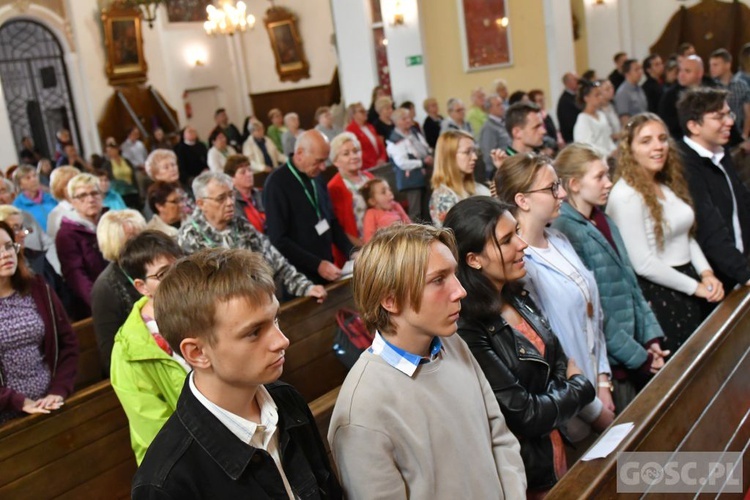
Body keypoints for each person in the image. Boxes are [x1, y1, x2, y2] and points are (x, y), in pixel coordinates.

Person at [328, 223, 526, 499]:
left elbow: (500, 438)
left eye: (454, 275)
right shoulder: (362, 410)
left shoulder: (453, 344)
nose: (460, 291)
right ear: (390, 300)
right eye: (438, 280)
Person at [132, 248, 342, 499]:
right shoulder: (167, 482)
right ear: (197, 352)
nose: (282, 341)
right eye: (254, 332)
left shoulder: (286, 400)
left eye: (275, 320)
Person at [444, 197, 595, 495]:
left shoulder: (515, 294)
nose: (522, 244)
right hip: (526, 475)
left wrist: (552, 396)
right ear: (474, 259)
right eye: (507, 239)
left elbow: (558, 358)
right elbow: (525, 415)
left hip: (555, 450)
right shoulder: (468, 328)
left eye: (517, 232)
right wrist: (580, 387)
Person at [494, 154, 615, 439]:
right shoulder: (522, 266)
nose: (561, 193)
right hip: (572, 410)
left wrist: (602, 378)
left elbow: (592, 317)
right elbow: (550, 353)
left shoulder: (558, 239)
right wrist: (594, 409)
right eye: (551, 188)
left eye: (558, 184)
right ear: (523, 200)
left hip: (596, 384)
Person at [552, 144, 668, 410]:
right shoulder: (567, 230)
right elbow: (595, 312)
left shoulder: (602, 219)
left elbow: (630, 283)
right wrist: (640, 357)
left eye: (607, 174)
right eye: (599, 176)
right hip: (618, 362)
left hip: (637, 347)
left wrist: (651, 338)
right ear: (575, 184)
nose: (608, 182)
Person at [607, 113, 724, 352]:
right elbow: (643, 264)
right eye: (646, 140)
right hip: (662, 296)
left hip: (688, 283)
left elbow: (685, 234)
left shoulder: (663, 182)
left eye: (662, 138)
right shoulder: (626, 195)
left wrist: (707, 273)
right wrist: (696, 287)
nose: (658, 146)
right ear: (630, 149)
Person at [179, 172, 327, 302]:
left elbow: (276, 261)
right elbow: (196, 292)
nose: (230, 202)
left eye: (231, 194)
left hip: (258, 302)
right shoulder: (189, 236)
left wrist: (306, 288)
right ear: (201, 203)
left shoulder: (241, 225)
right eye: (221, 198)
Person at [110, 231, 187, 464]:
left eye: (181, 267)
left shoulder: (204, 311)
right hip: (177, 462)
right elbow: (156, 429)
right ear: (142, 286)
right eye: (164, 274)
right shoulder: (128, 349)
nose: (178, 278)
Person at [0, 220, 78, 424]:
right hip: (6, 417)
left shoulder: (37, 287)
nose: (6, 254)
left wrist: (59, 390)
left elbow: (67, 343)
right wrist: (19, 401)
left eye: (8, 246)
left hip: (51, 403)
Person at [677, 87, 750, 290]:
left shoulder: (719, 152)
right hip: (717, 277)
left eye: (729, 114)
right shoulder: (686, 164)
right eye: (719, 117)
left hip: (737, 265)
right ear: (694, 126)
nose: (730, 122)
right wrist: (743, 273)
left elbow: (742, 201)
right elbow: (708, 226)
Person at [263, 131, 354, 284]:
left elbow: (330, 221)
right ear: (299, 153)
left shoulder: (316, 177)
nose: (324, 167)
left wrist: (352, 252)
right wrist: (317, 265)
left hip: (327, 267)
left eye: (325, 161)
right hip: (299, 277)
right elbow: (279, 240)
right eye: (319, 161)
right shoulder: (276, 184)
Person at [90, 209, 147, 374]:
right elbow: (111, 352)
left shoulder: (148, 268)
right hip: (136, 370)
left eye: (141, 236)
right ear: (113, 243)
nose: (140, 244)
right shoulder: (105, 287)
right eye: (131, 240)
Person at [56, 173, 109, 318]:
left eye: (94, 193)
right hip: (95, 306)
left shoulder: (111, 221)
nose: (90, 199)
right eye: (82, 196)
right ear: (72, 202)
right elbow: (76, 276)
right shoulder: (66, 234)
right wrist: (101, 304)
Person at [429, 130, 492, 227]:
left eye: (474, 151)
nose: (474, 157)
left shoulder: (478, 187)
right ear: (449, 157)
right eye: (467, 152)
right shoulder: (443, 196)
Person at [327, 133, 374, 249]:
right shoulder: (333, 187)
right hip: (358, 248)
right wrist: (364, 247)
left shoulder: (369, 177)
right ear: (335, 161)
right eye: (346, 154)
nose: (354, 156)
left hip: (382, 241)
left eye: (356, 151)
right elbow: (338, 227)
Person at [387, 108, 432, 221]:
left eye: (409, 117)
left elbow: (425, 147)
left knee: (427, 208)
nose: (408, 120)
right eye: (404, 118)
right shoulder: (394, 140)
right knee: (415, 211)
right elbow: (402, 163)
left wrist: (428, 154)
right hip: (410, 180)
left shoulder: (414, 132)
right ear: (396, 122)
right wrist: (421, 162)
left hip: (423, 175)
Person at [659, 55, 706, 139]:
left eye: (687, 71)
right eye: (680, 70)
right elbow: (666, 124)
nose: (681, 75)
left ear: (700, 73)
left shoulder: (709, 91)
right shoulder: (670, 95)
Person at [709, 48, 750, 141]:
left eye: (715, 65)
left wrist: (745, 135)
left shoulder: (742, 86)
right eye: (710, 65)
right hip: (716, 136)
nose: (711, 68)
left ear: (727, 65)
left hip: (737, 136)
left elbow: (748, 114)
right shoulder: (711, 87)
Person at [144, 148, 195, 217]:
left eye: (173, 165)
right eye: (166, 167)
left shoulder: (183, 187)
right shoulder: (155, 198)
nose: (172, 169)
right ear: (156, 175)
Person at [574, 80, 617, 157]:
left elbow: (607, 139)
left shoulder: (601, 115)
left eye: (600, 94)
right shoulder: (583, 120)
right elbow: (585, 146)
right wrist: (607, 154)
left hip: (609, 158)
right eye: (597, 95)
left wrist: (614, 150)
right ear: (586, 98)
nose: (600, 97)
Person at [360, 178, 410, 243]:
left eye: (389, 189)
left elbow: (408, 222)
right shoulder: (371, 213)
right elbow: (369, 239)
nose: (390, 193)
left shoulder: (395, 205)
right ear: (372, 201)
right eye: (383, 192)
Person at [224, 155, 265, 233]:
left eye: (250, 170)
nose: (249, 174)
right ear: (231, 178)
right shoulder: (232, 202)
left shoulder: (261, 193)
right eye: (243, 172)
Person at [11, 165, 57, 233]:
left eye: (35, 176)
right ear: (20, 184)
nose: (33, 179)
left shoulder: (51, 198)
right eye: (28, 178)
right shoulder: (17, 206)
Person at [344, 102, 387, 169]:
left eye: (365, 111)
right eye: (361, 111)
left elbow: (380, 145)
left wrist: (382, 158)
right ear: (354, 115)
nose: (365, 113)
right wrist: (373, 163)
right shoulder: (350, 130)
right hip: (366, 167)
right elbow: (356, 150)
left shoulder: (370, 127)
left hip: (379, 164)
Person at [479, 94, 512, 180]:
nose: (502, 107)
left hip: (509, 166)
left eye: (502, 104)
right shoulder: (488, 127)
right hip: (496, 172)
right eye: (498, 105)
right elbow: (488, 154)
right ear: (490, 109)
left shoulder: (504, 122)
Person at [46, 166, 80, 241]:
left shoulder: (87, 206)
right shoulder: (55, 214)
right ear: (59, 188)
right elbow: (54, 242)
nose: (75, 186)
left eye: (76, 181)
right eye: (68, 183)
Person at [614, 59, 648, 128]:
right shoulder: (623, 92)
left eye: (640, 69)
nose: (640, 72)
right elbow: (624, 119)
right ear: (627, 74)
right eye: (636, 70)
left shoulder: (639, 88)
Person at [557, 72, 581, 143]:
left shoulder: (575, 96)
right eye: (575, 80)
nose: (578, 82)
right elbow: (569, 123)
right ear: (568, 83)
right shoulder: (565, 101)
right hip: (572, 138)